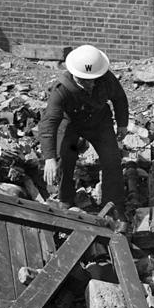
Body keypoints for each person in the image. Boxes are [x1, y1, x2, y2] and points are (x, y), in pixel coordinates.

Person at [39, 44, 128, 216]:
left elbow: (119, 99)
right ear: (75, 75)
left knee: (112, 160)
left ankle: (113, 206)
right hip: (71, 124)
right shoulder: (61, 90)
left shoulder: (106, 79)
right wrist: (49, 158)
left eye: (94, 79)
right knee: (65, 157)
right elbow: (49, 123)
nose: (92, 83)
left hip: (99, 122)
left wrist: (122, 124)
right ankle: (65, 200)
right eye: (86, 80)